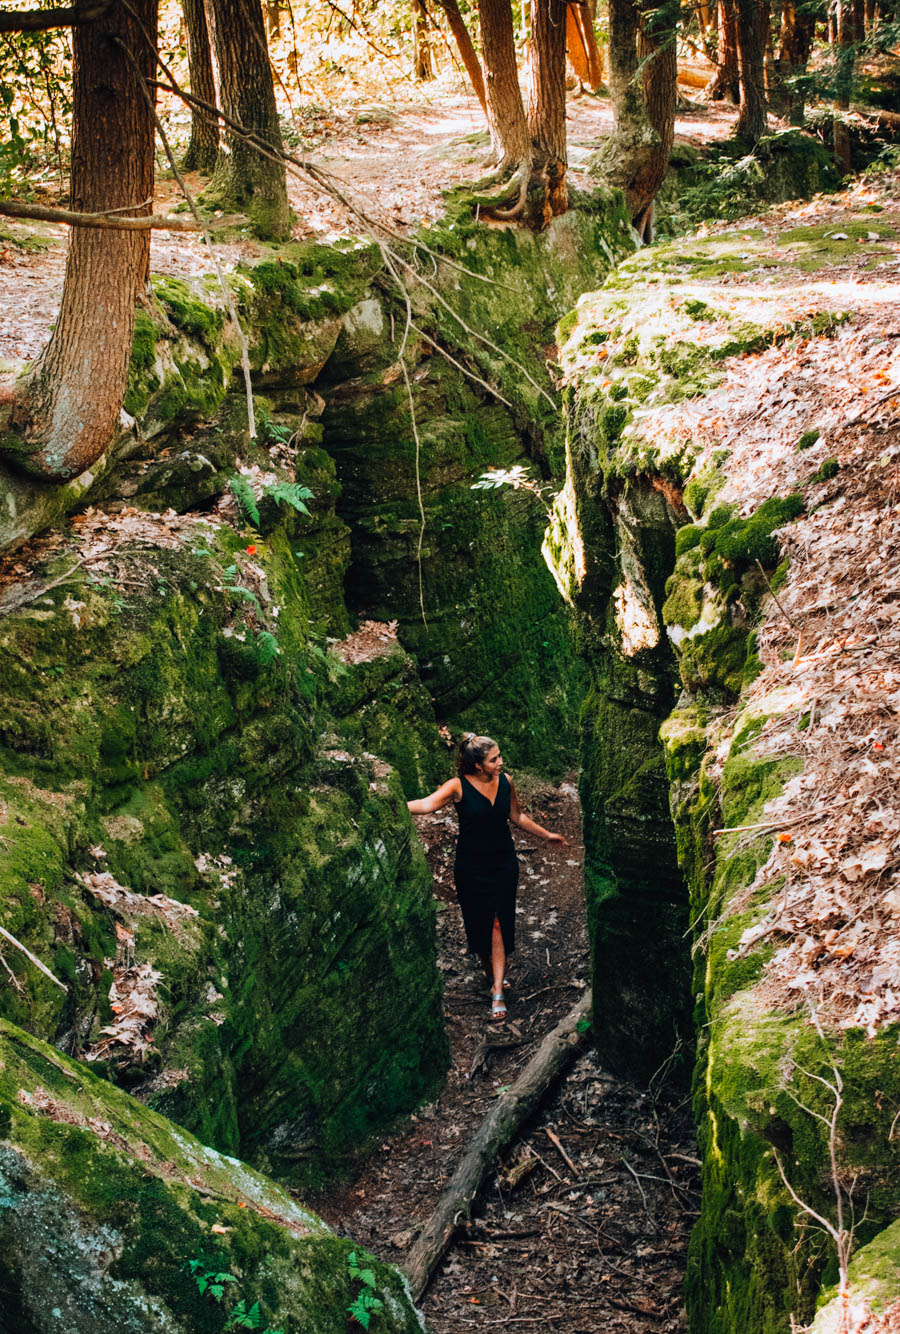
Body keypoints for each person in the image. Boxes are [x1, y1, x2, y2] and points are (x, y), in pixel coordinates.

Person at [407, 733, 566, 1021]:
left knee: (497, 922)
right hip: (471, 867)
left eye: (499, 756)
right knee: (479, 924)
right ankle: (491, 970)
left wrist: (547, 835)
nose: (500, 762)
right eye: (494, 759)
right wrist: (393, 805)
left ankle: (497, 990)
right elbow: (426, 804)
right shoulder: (458, 786)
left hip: (504, 863)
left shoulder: (506, 782)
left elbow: (516, 816)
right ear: (478, 765)